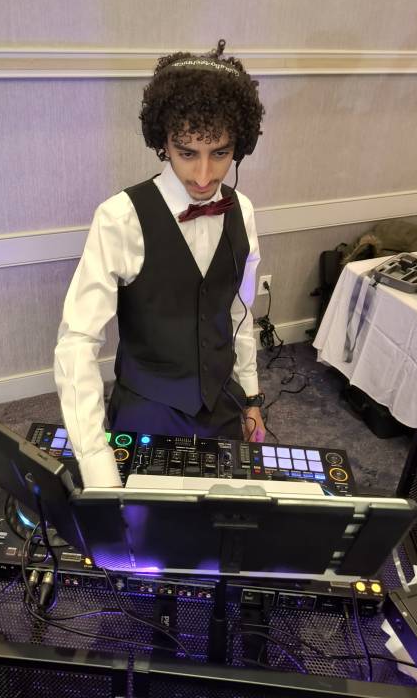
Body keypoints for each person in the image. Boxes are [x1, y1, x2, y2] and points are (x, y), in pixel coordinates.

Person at [54, 40, 266, 487]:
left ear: (240, 147)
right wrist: (94, 462)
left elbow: (238, 312)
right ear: (163, 143)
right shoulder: (120, 217)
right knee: (145, 522)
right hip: (148, 406)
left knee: (231, 513)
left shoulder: (242, 210)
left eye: (220, 153)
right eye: (187, 153)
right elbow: (77, 341)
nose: (204, 176)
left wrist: (251, 395)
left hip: (221, 401)